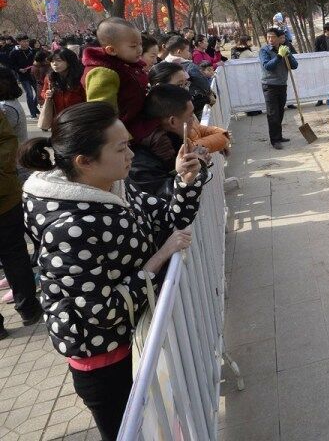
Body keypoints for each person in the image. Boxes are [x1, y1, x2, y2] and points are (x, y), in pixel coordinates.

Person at [20, 101, 204, 440]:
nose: (131, 154)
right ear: (84, 161)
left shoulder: (110, 183)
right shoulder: (69, 227)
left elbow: (168, 219)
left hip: (136, 338)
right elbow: (102, 312)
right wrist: (158, 258)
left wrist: (185, 179)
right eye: (121, 148)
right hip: (107, 359)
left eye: (129, 144)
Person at [0, 109, 43, 339]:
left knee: (14, 252)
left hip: (4, 197)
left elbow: (8, 141)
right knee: (15, 253)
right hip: (6, 193)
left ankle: (28, 307)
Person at [82, 17, 154, 141]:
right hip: (124, 134)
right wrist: (123, 139)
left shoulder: (126, 64)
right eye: (133, 46)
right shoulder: (103, 73)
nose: (139, 49)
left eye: (140, 44)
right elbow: (104, 113)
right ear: (111, 50)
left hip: (137, 124)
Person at [130, 85, 208, 197]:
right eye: (190, 116)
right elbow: (169, 197)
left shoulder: (170, 141)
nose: (194, 121)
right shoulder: (141, 159)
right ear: (173, 121)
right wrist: (198, 166)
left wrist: (197, 161)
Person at [149, 62, 231, 154]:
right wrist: (221, 138)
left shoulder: (184, 106)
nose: (185, 90)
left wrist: (222, 133)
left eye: (185, 84)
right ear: (160, 87)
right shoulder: (163, 122)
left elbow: (197, 128)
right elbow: (189, 148)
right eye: (179, 85)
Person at [259, 27, 298, 149]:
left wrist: (288, 54)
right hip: (269, 85)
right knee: (273, 113)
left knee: (280, 112)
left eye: (273, 37)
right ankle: (274, 140)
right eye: (268, 37)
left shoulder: (283, 49)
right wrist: (279, 56)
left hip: (282, 85)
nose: (270, 39)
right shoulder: (264, 50)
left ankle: (279, 136)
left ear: (278, 38)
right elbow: (267, 66)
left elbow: (294, 65)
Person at [164, 38, 214, 120]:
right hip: (193, 102)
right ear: (179, 52)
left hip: (172, 108)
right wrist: (209, 93)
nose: (190, 53)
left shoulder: (163, 65)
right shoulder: (189, 66)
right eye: (187, 50)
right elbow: (202, 82)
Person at [40, 48, 86, 116]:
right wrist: (46, 94)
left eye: (59, 60)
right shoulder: (50, 77)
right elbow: (43, 92)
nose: (54, 64)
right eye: (52, 61)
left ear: (69, 61)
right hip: (58, 117)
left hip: (77, 116)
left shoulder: (81, 77)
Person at [9, 35, 38, 118]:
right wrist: (19, 69)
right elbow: (11, 65)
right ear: (18, 42)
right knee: (29, 94)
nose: (26, 43)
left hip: (33, 74)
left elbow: (37, 61)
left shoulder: (32, 51)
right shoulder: (14, 52)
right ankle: (33, 113)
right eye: (24, 41)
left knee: (38, 92)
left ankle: (34, 106)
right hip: (23, 76)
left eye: (27, 41)